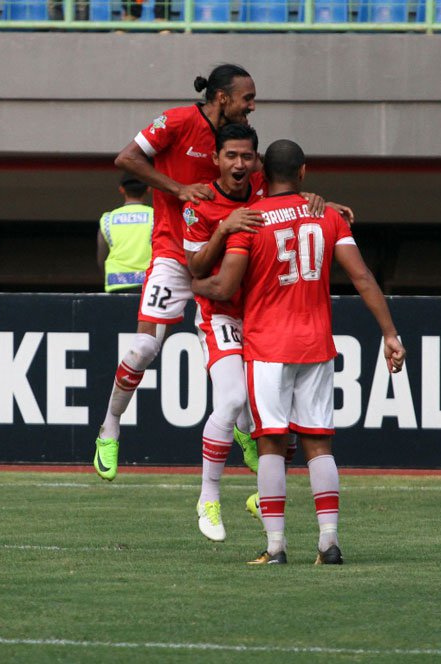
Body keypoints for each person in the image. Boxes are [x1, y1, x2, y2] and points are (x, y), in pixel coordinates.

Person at [193, 139, 405, 565]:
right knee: (319, 444)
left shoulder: (252, 220)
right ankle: (329, 542)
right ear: (304, 173)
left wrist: (194, 286)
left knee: (271, 444)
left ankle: (275, 548)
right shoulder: (325, 214)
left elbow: (226, 286)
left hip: (267, 345)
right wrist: (390, 334)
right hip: (316, 344)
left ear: (261, 174)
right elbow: (362, 276)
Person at [93, 63, 259, 482]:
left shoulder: (234, 145)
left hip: (218, 257)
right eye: (247, 98)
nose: (252, 107)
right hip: (171, 251)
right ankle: (109, 426)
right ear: (223, 98)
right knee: (144, 350)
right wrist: (177, 188)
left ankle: (244, 429)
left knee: (239, 355)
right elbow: (126, 158)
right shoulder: (179, 121)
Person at [181, 122, 264, 541]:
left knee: (279, 420)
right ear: (215, 158)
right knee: (231, 396)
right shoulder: (199, 203)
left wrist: (321, 201)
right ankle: (208, 496)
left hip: (266, 317)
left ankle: (262, 495)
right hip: (220, 315)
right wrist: (224, 227)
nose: (238, 163)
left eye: (246, 156)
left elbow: (293, 198)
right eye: (230, 155)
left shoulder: (264, 192)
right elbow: (195, 268)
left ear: (256, 160)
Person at [96, 173, 153, 293]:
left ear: (121, 190)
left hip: (116, 284)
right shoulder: (156, 216)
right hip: (149, 283)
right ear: (148, 189)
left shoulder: (108, 219)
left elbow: (102, 256)